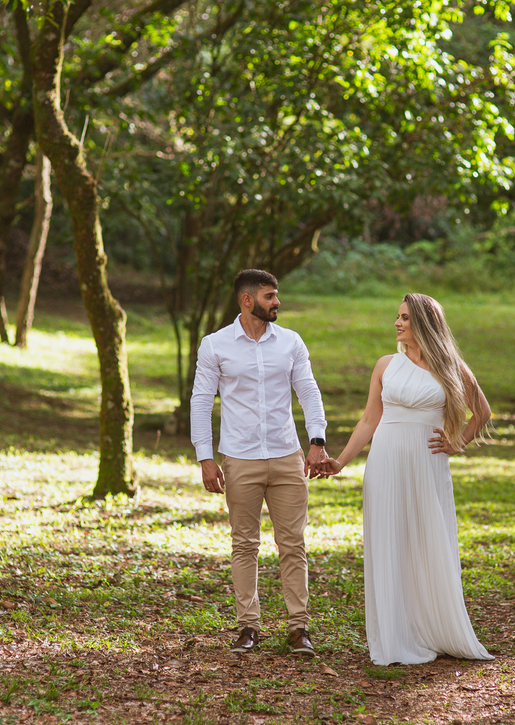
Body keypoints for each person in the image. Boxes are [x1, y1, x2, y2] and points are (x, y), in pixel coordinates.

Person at [324, 293, 493, 665]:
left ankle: (433, 626)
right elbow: (369, 419)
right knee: (389, 541)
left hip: (427, 464)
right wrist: (341, 461)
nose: (397, 323)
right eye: (397, 317)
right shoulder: (385, 365)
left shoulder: (451, 368)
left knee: (428, 540)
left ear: (423, 323)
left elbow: (481, 411)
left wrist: (457, 443)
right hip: (384, 462)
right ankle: (396, 635)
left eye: (404, 317)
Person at [191, 269, 331, 657]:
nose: (277, 302)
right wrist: (205, 456)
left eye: (277, 295)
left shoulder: (290, 342)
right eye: (270, 296)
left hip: (288, 457)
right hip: (239, 458)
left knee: (292, 544)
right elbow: (201, 401)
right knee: (244, 545)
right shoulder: (216, 345)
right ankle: (248, 627)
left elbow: (308, 390)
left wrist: (316, 441)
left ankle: (298, 628)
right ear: (247, 300)